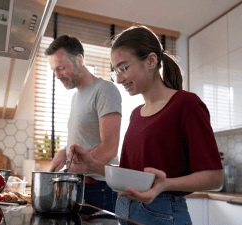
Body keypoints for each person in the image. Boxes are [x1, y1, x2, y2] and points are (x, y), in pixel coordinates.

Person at [69, 25, 224, 225]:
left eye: (123, 68)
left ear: (151, 61)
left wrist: (165, 184)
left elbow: (216, 177)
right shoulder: (136, 114)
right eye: (115, 71)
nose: (118, 78)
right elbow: (128, 175)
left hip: (163, 215)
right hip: (125, 211)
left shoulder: (187, 104)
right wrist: (92, 165)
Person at [45, 35, 122, 213]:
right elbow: (86, 139)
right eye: (54, 70)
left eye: (61, 68)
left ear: (79, 59)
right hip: (80, 186)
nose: (57, 75)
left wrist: (73, 170)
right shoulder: (76, 96)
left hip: (99, 189)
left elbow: (110, 148)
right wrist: (64, 152)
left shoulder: (105, 90)